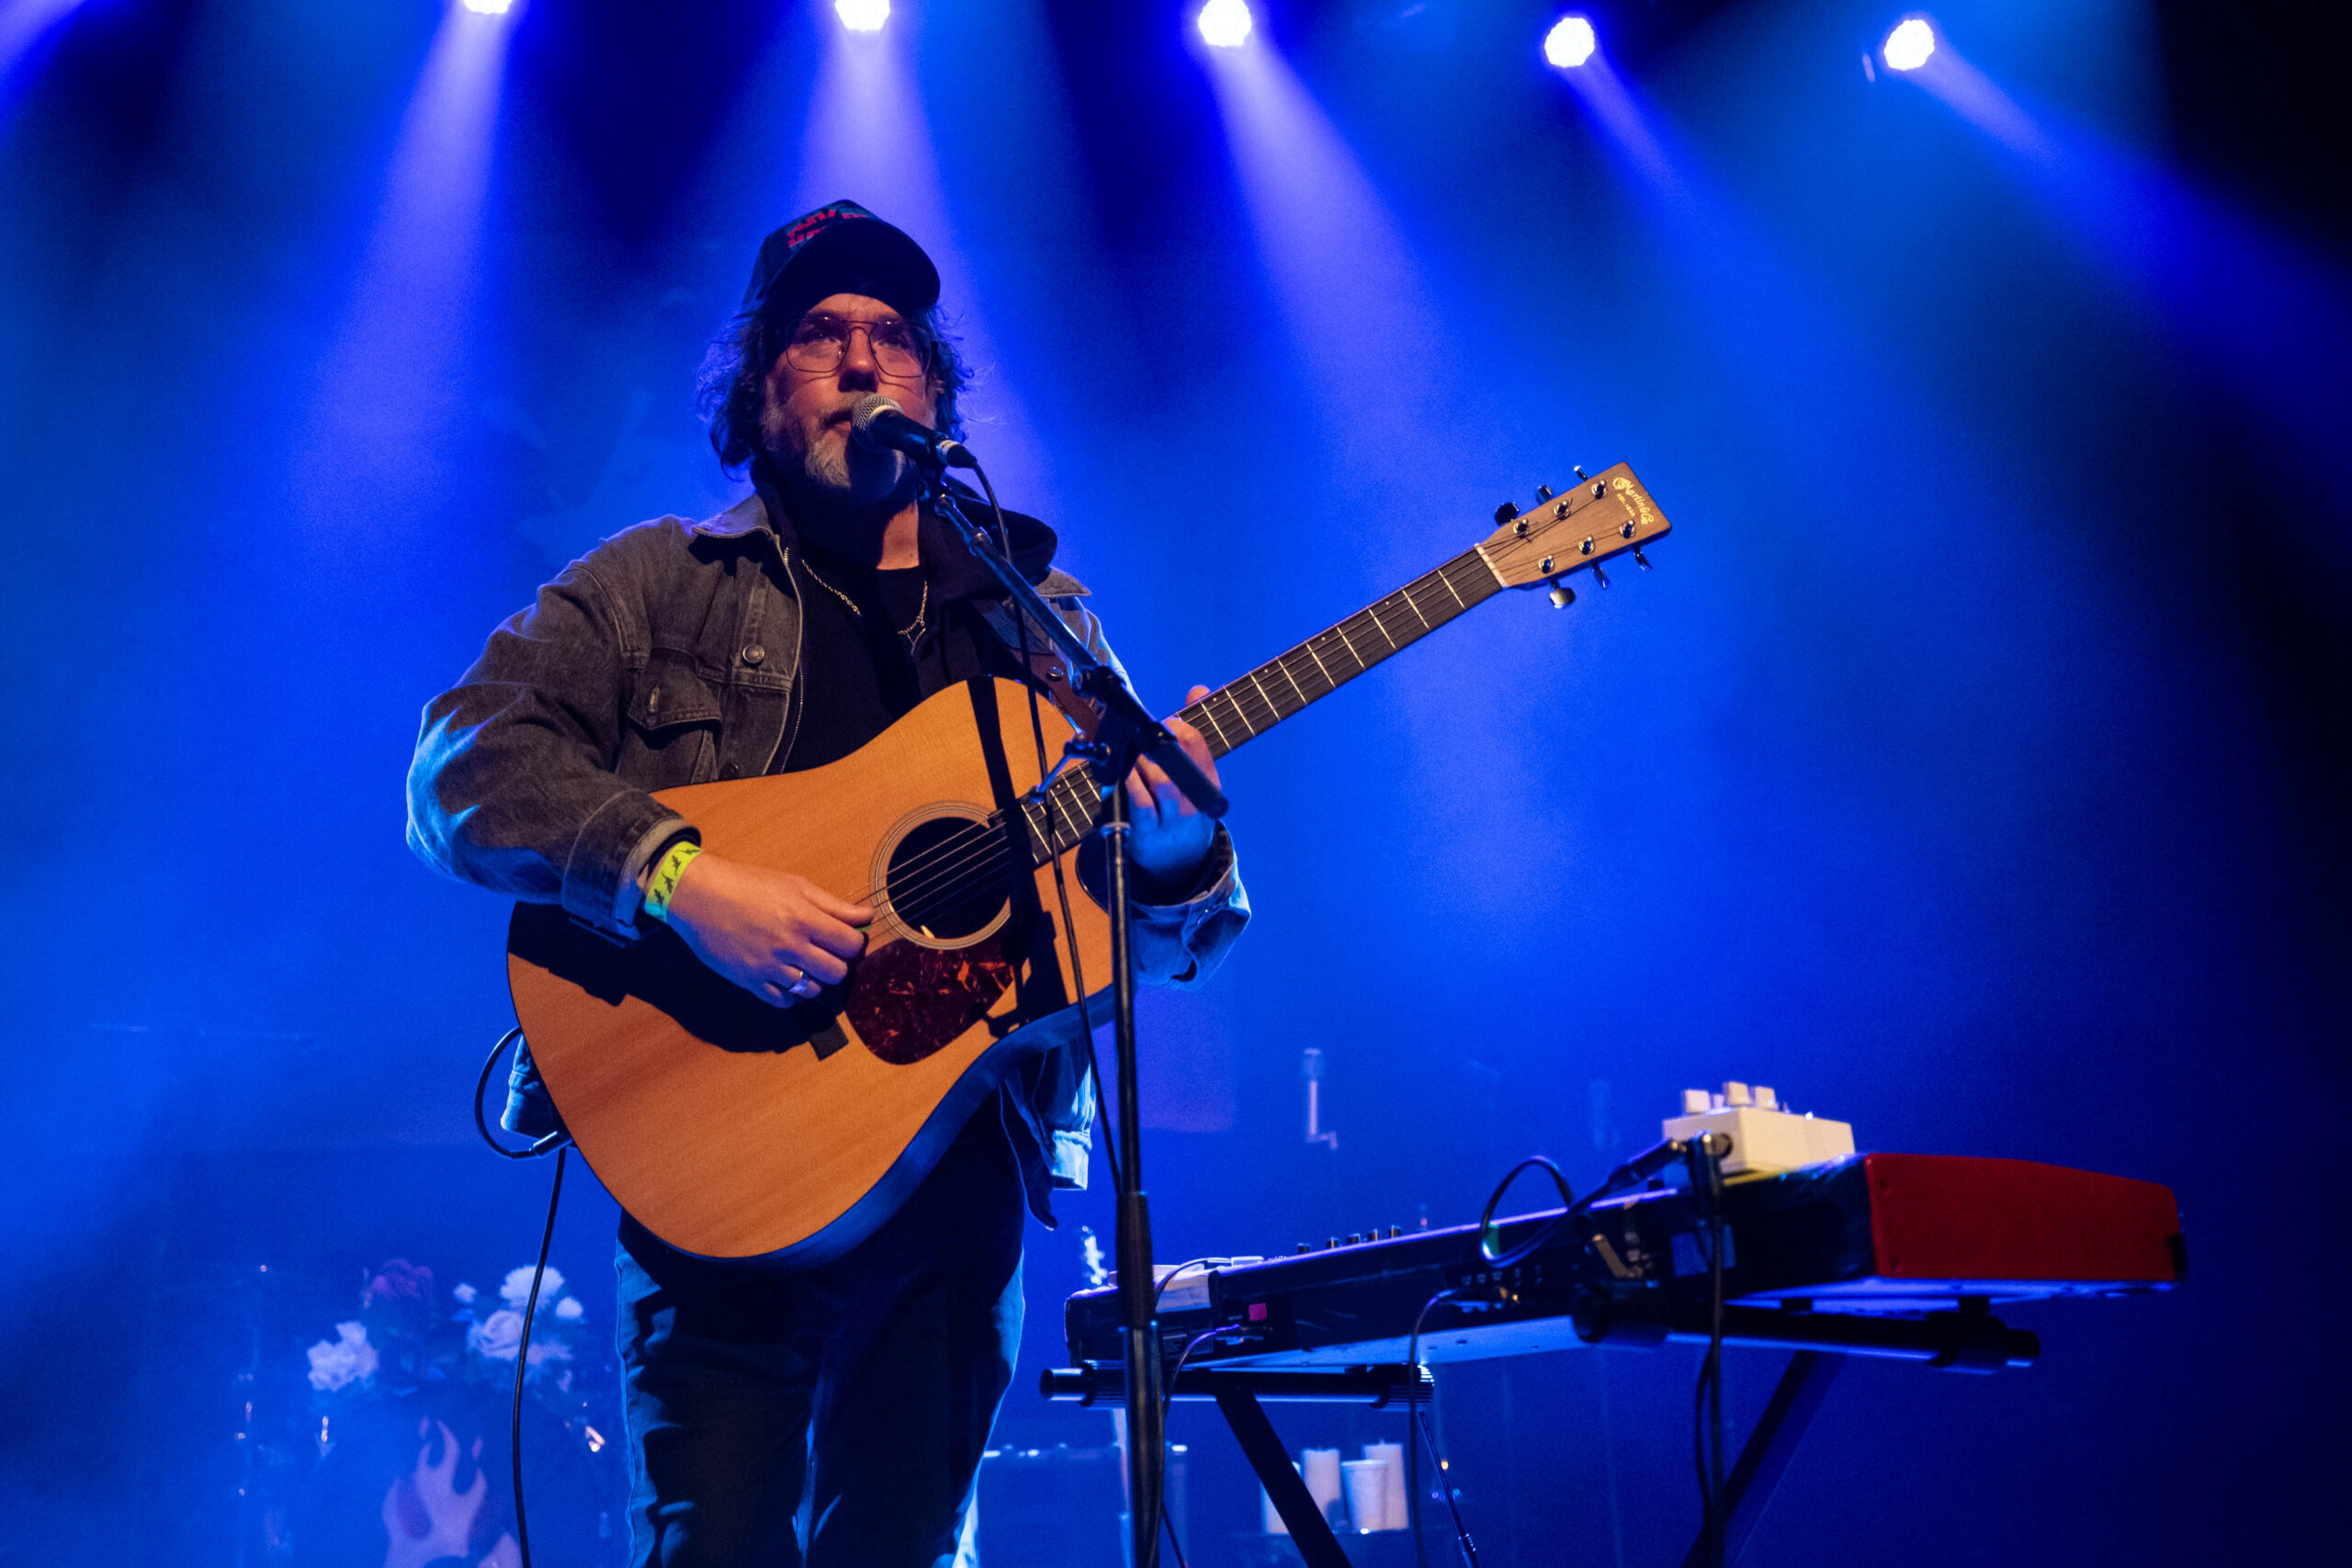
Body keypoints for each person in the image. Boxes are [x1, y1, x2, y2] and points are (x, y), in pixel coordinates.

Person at [405, 200, 1250, 1568]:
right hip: (717, 1168)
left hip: (960, 1165)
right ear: (760, 394)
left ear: (933, 392)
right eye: (819, 336)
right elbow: (462, 766)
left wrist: (1168, 857)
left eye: (894, 339)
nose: (863, 361)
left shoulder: (1040, 619)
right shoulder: (660, 588)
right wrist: (676, 877)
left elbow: (1167, 931)